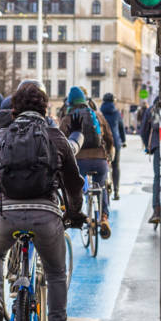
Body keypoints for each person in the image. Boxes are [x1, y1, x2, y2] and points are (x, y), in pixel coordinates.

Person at [0, 82, 85, 321]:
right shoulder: (55, 137)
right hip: (46, 216)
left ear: (14, 109)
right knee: (57, 274)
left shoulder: (2, 136)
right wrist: (74, 213)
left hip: (6, 215)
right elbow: (74, 182)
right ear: (45, 108)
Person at [60, 87, 115, 238]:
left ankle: (76, 210)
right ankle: (104, 217)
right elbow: (109, 138)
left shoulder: (68, 117)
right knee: (101, 186)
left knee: (76, 185)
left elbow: (61, 142)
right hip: (100, 160)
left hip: (79, 161)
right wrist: (109, 156)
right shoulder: (97, 115)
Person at [99, 93, 126, 200]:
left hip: (103, 142)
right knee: (116, 166)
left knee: (103, 165)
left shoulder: (100, 113)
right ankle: (116, 191)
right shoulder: (116, 113)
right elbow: (121, 128)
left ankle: (103, 189)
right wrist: (123, 141)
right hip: (115, 142)